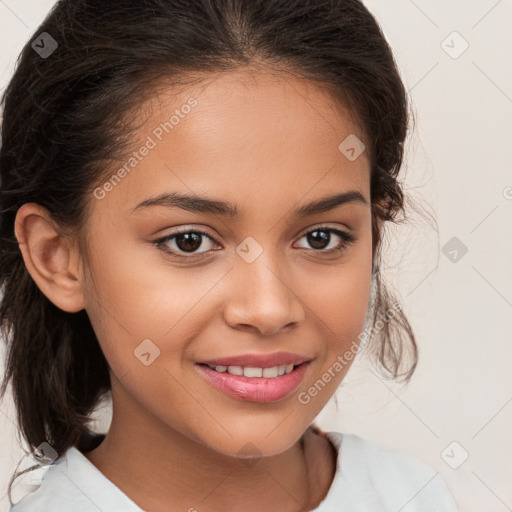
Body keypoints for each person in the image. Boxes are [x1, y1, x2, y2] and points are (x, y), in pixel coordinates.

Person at [0, 0, 459, 510]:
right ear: (57, 257)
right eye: (189, 241)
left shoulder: (414, 494)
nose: (269, 309)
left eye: (321, 237)